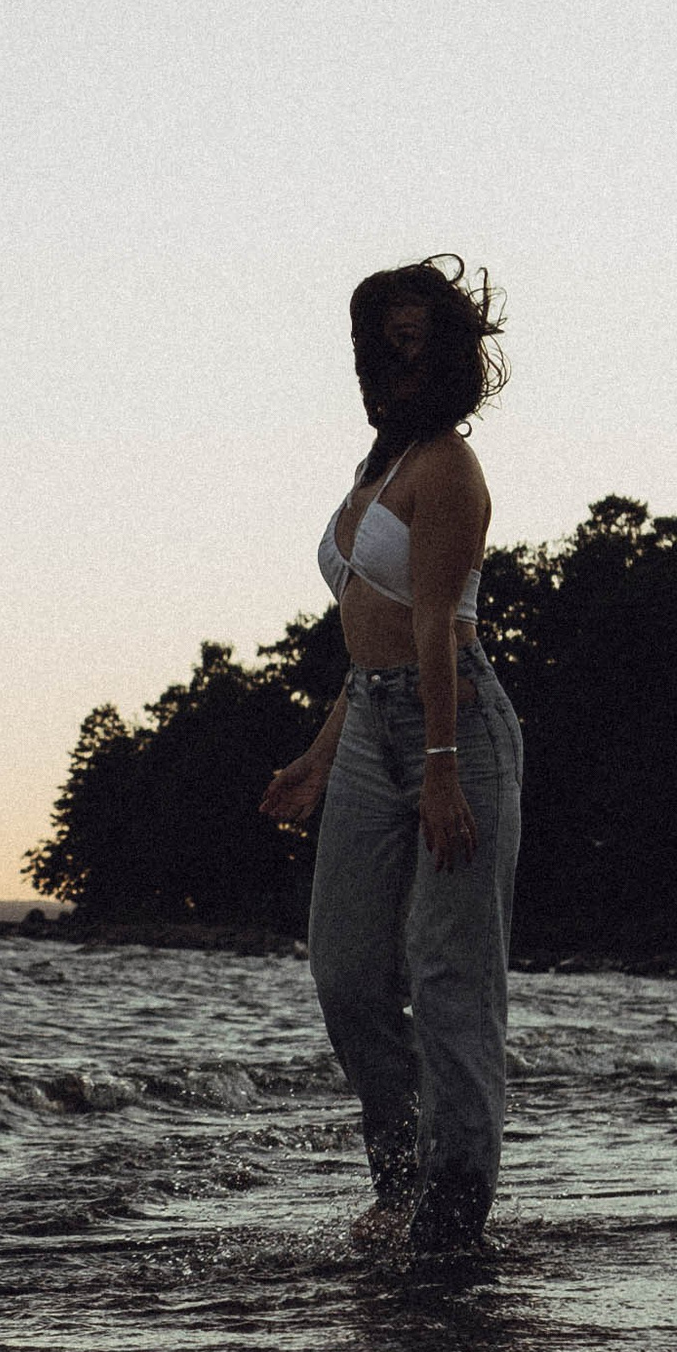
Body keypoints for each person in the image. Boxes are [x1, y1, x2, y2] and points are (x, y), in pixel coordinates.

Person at [260, 259, 523, 1258]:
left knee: (452, 980)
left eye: (405, 349)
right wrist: (326, 753)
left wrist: (444, 769)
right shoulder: (376, 468)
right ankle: (402, 1180)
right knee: (345, 974)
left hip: (454, 727)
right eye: (372, 350)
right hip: (371, 723)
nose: (382, 368)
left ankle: (450, 1219)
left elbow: (433, 633)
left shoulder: (448, 471)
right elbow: (367, 640)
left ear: (445, 361)